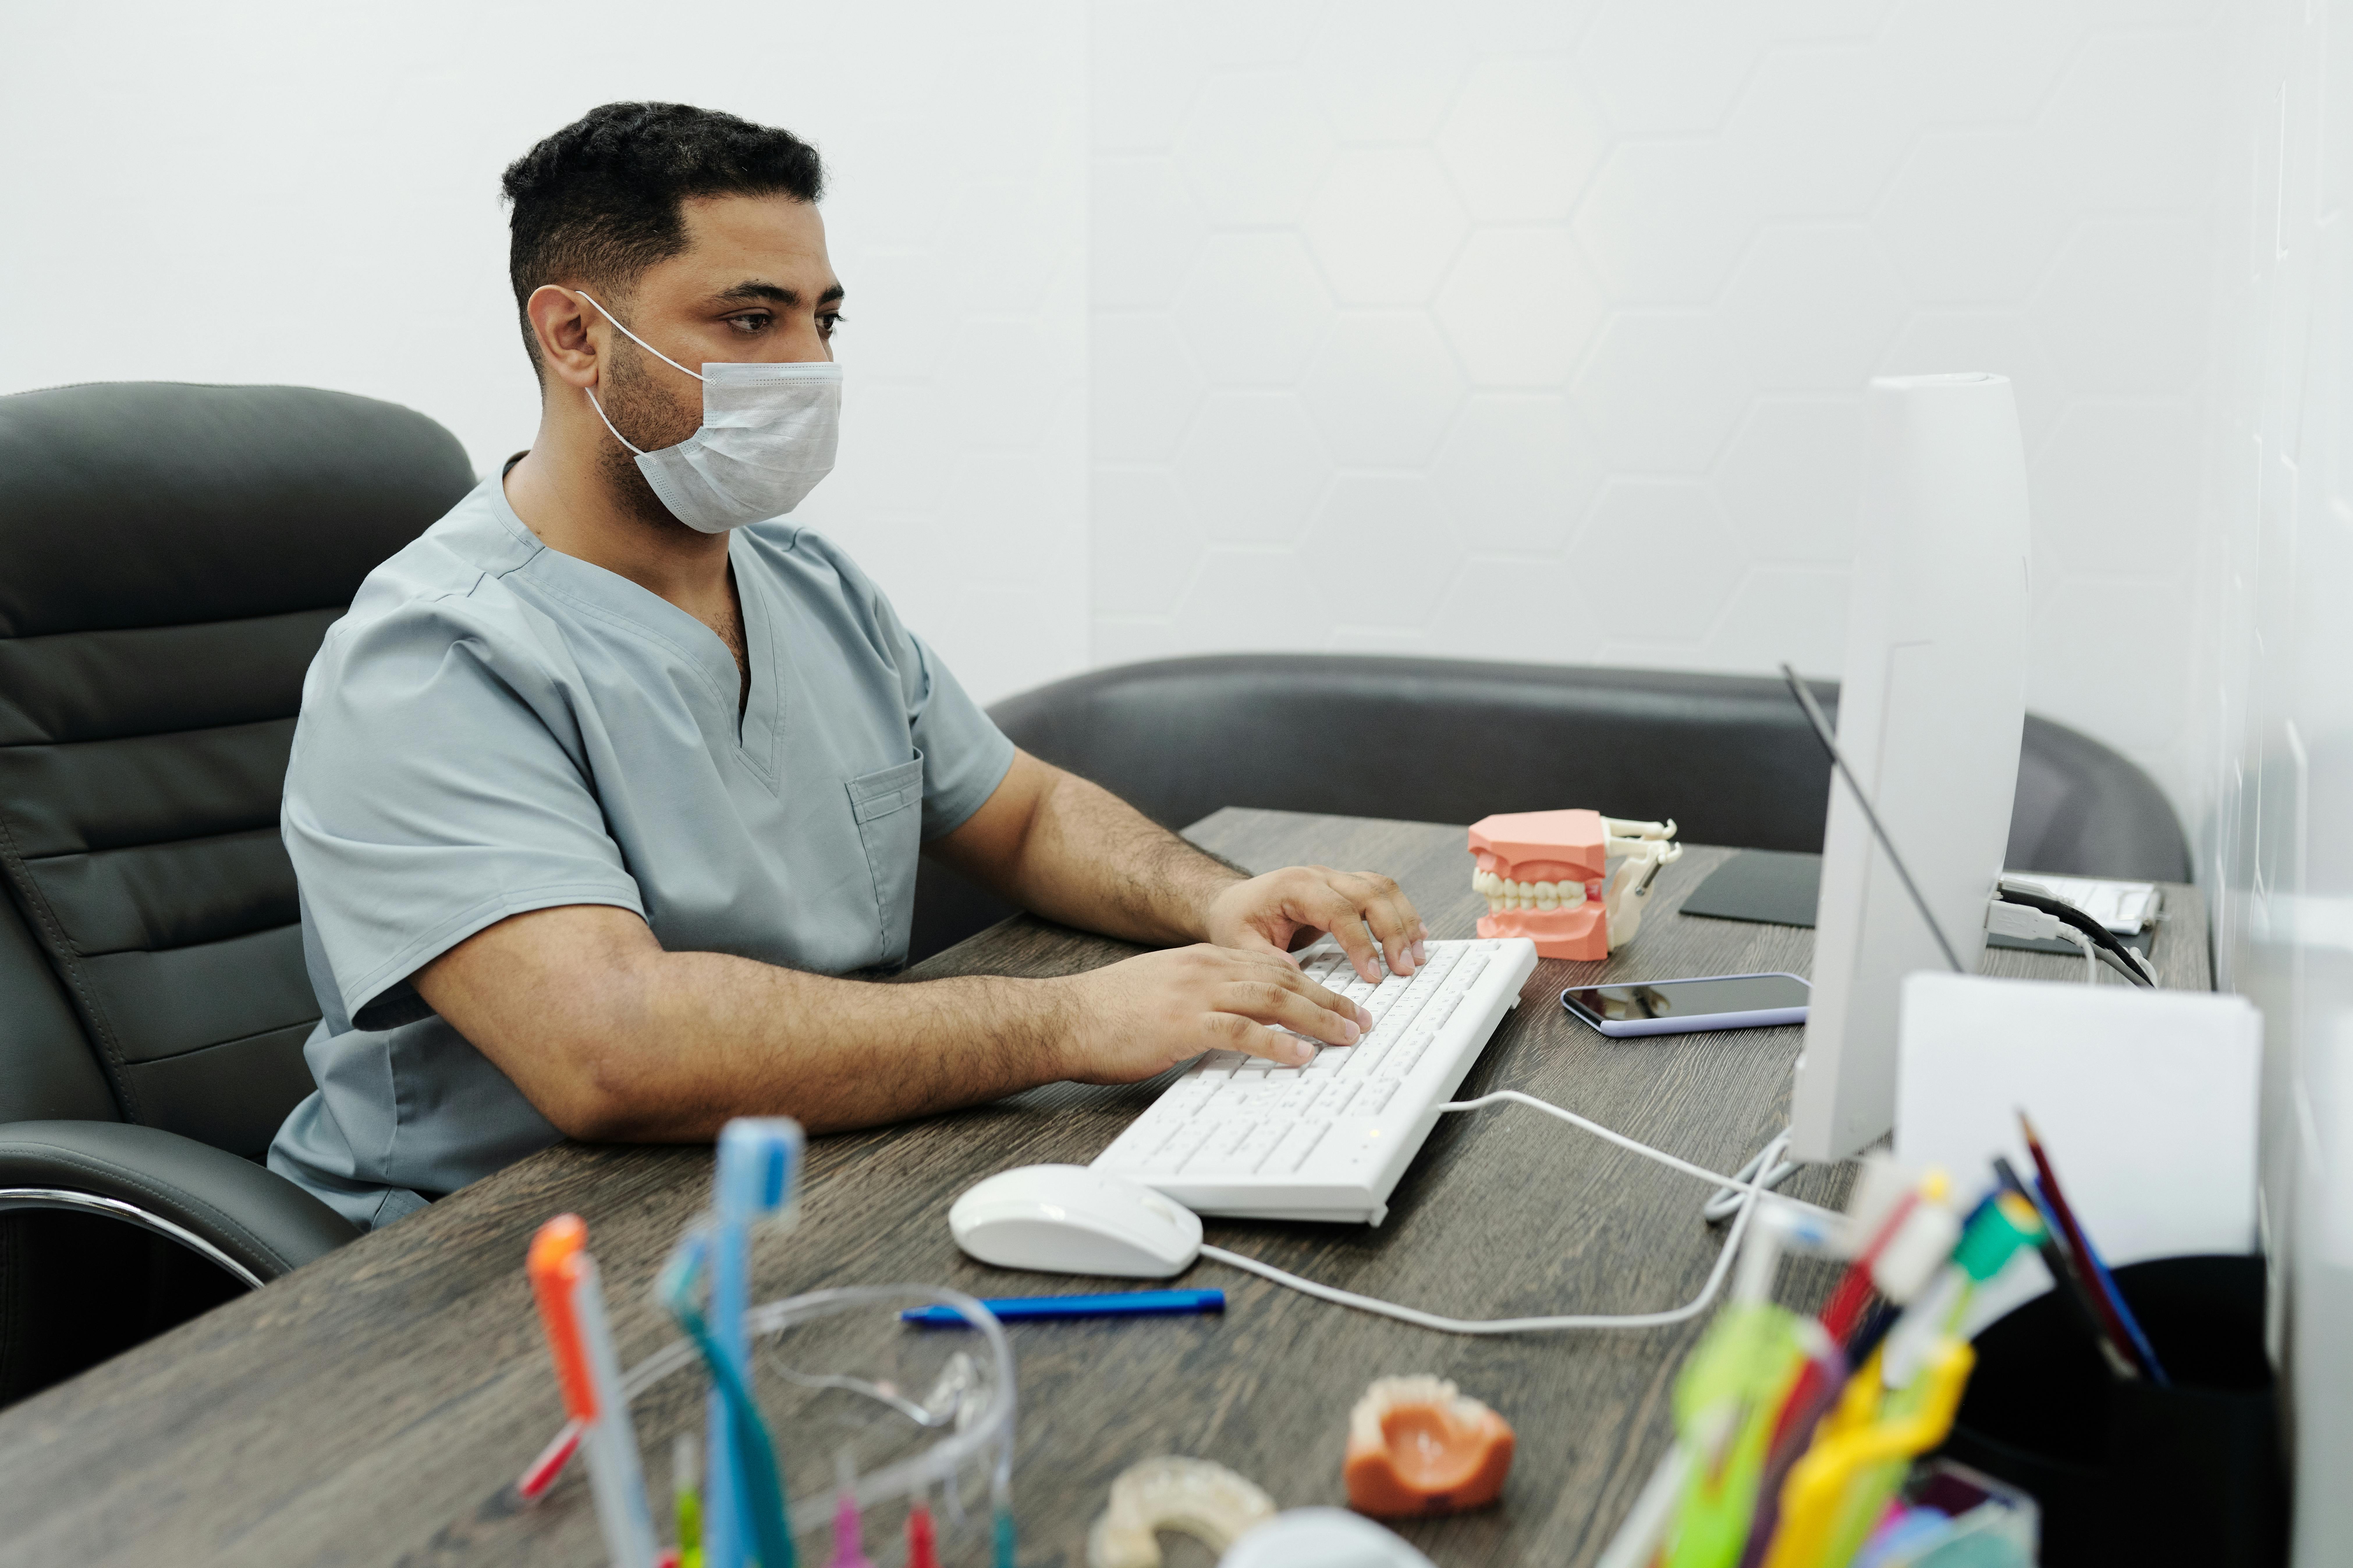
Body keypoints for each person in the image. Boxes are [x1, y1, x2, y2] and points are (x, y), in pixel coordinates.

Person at [267, 102, 1429, 1229]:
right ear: (575, 336)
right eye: (749, 319)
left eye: (824, 319)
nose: (809, 365)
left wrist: (1214, 899)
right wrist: (1072, 1022)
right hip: (490, 1253)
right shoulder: (432, 660)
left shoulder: (808, 584)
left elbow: (1019, 815)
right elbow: (609, 1049)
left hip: (805, 1171)